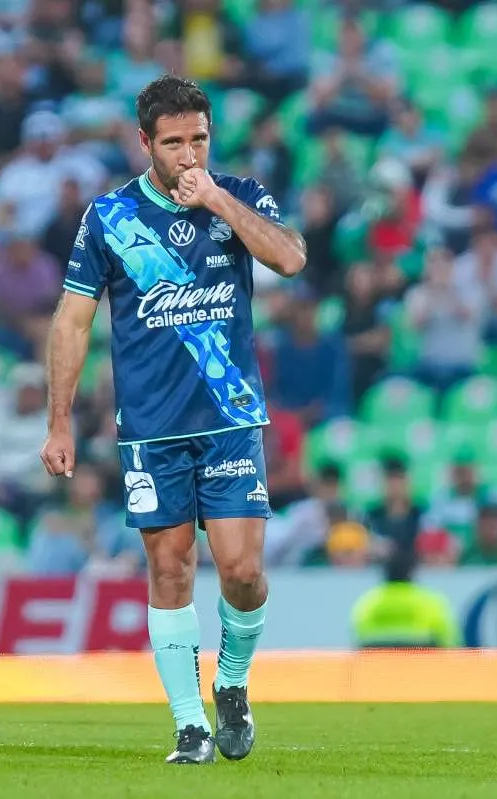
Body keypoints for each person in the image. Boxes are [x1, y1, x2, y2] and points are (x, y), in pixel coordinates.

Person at [39, 75, 306, 764]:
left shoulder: (239, 194)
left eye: (200, 140)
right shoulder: (109, 218)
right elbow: (73, 319)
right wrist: (60, 420)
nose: (189, 154)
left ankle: (233, 683)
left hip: (228, 416)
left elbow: (291, 257)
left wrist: (214, 196)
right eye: (175, 143)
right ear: (145, 143)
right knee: (169, 569)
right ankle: (189, 724)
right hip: (152, 426)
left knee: (243, 570)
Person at [350, 549, 458, 649]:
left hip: (379, 668)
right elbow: (448, 641)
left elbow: (359, 640)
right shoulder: (431, 602)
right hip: (422, 667)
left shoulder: (368, 603)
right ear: (412, 572)